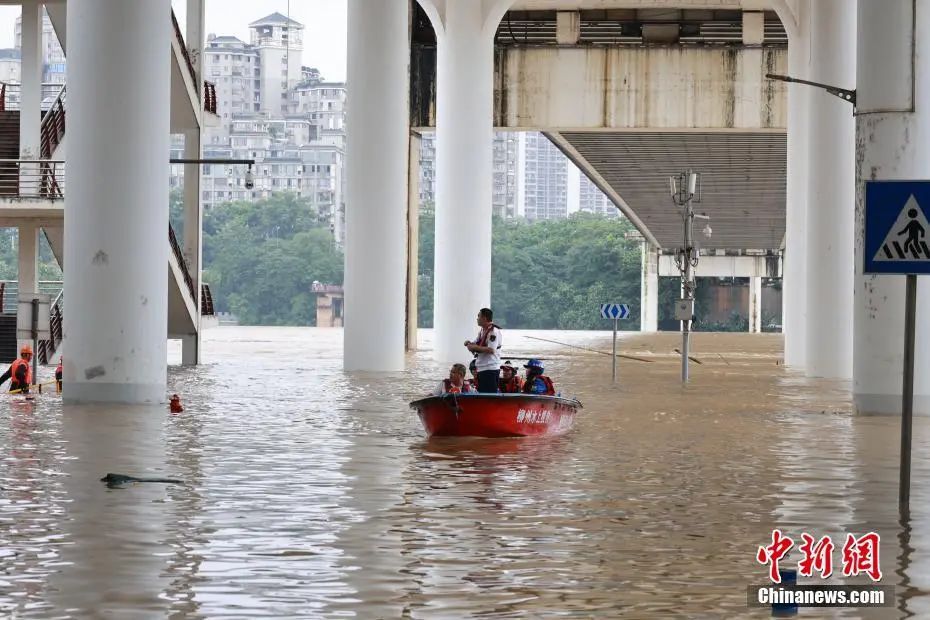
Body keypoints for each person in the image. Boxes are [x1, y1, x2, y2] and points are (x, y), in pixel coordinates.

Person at [464, 307, 503, 393]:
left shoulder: (493, 332)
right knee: (482, 393)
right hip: (482, 368)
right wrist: (469, 343)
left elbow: (491, 350)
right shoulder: (482, 331)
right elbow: (476, 343)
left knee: (489, 395)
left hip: (490, 368)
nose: (477, 318)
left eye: (479, 316)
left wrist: (474, 347)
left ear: (484, 318)